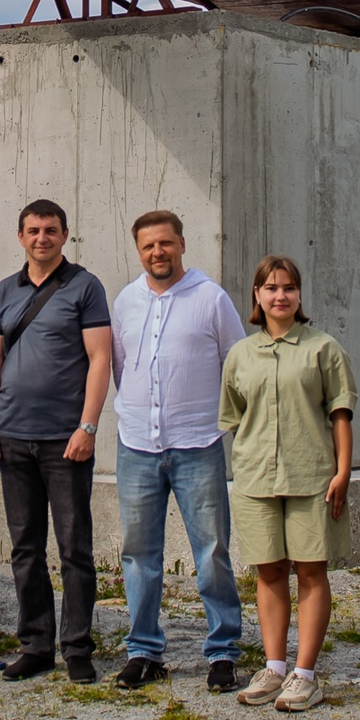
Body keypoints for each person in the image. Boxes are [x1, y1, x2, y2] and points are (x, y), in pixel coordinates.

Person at [0, 198, 113, 684]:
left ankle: (77, 647)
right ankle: (35, 645)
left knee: (74, 547)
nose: (41, 238)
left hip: (64, 440)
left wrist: (87, 427)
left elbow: (100, 358)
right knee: (25, 548)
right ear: (20, 237)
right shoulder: (4, 291)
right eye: (33, 231)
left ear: (65, 235)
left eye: (50, 230)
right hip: (13, 435)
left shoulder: (85, 286)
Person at [109, 209, 247, 691]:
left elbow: (236, 364)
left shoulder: (211, 298)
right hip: (137, 446)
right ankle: (143, 651)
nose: (157, 252)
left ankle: (223, 651)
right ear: (139, 251)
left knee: (211, 552)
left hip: (197, 444)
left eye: (165, 243)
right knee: (138, 553)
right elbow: (121, 366)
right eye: (148, 246)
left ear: (182, 245)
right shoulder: (125, 301)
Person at [221, 255, 355, 713]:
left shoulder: (324, 349)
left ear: (299, 295)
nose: (280, 296)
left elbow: (340, 414)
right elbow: (235, 416)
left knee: (311, 571)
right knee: (269, 571)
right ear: (257, 296)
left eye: (289, 288)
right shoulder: (240, 354)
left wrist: (342, 472)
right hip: (256, 479)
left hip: (311, 476)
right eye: (271, 288)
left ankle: (305, 676)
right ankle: (274, 668)